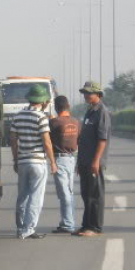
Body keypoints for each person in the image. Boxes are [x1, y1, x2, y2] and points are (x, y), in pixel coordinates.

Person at [10, 84, 57, 240]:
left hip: (23, 161)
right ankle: (28, 229)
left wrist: (16, 159)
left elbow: (13, 140)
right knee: (36, 196)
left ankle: (20, 228)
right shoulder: (41, 117)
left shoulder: (18, 116)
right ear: (43, 101)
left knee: (22, 195)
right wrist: (53, 162)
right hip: (38, 162)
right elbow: (47, 142)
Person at [74, 81, 111, 237]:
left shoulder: (102, 112)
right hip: (84, 161)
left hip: (94, 162)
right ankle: (85, 225)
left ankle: (95, 227)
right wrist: (79, 162)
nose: (86, 95)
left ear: (98, 94)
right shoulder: (90, 111)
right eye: (85, 93)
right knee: (86, 194)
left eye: (89, 93)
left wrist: (96, 161)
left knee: (95, 195)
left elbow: (102, 140)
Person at [49, 95, 81, 234]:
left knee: (64, 193)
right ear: (68, 106)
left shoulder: (54, 122)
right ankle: (66, 222)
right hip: (71, 159)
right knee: (68, 191)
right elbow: (80, 142)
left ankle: (68, 224)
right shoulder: (76, 122)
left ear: (56, 107)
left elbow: (46, 140)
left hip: (59, 159)